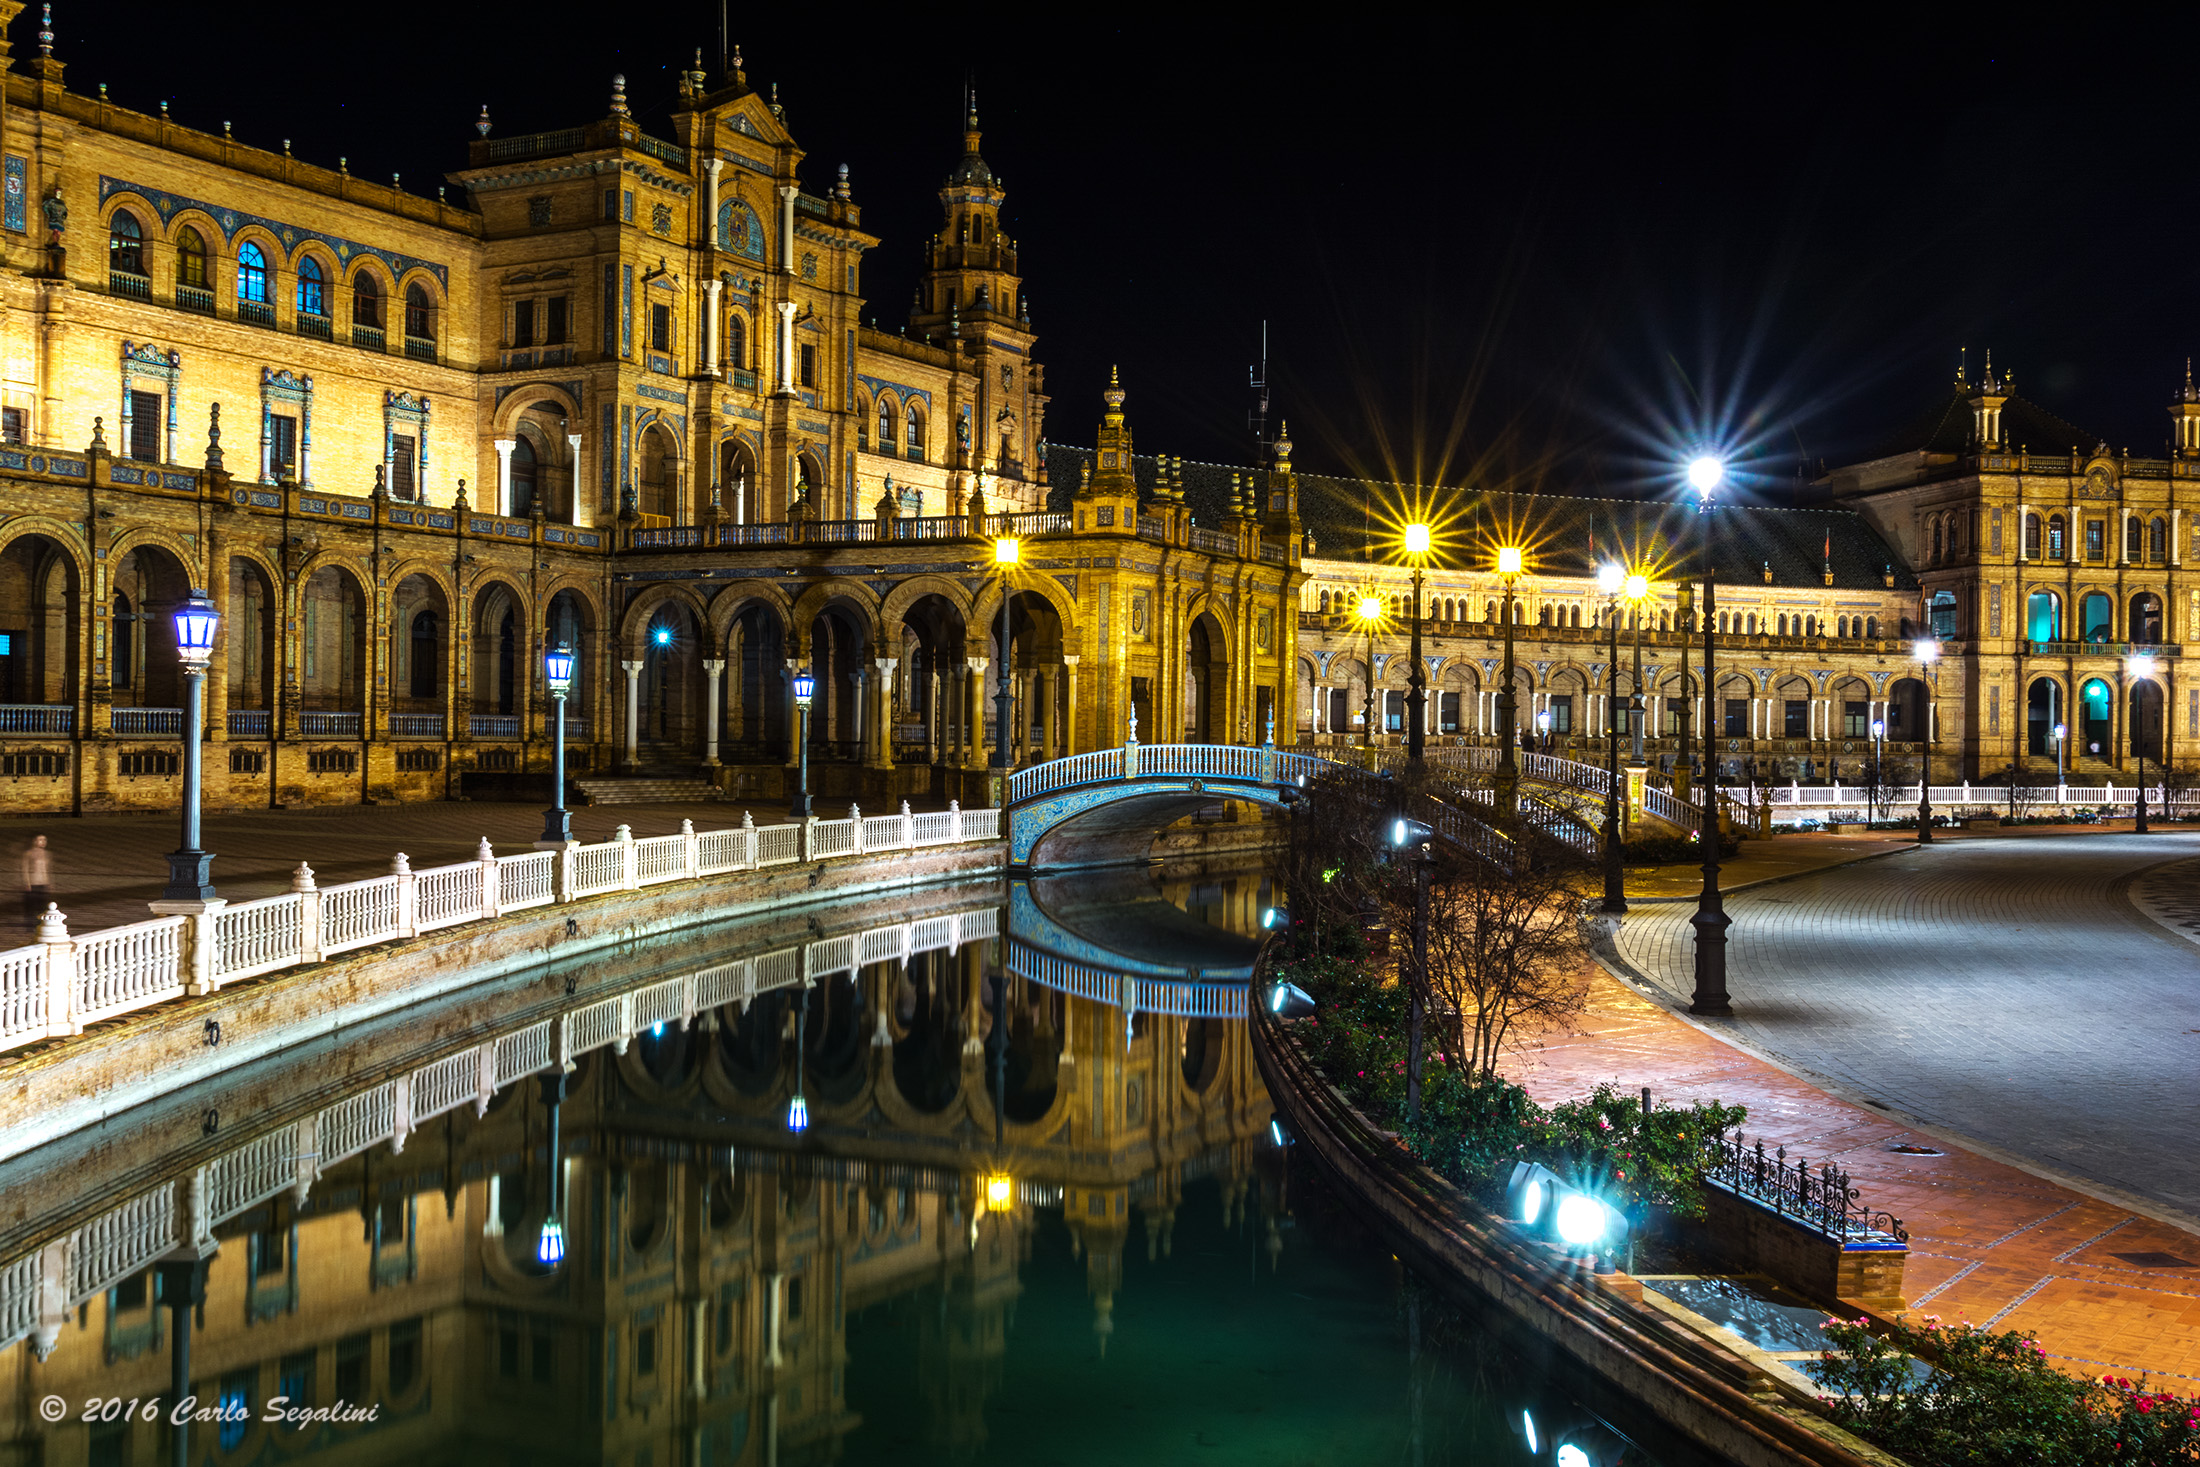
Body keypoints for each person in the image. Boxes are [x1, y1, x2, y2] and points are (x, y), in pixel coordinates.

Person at [20, 835, 49, 928]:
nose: (43, 842)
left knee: (42, 905)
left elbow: (45, 869)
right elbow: (25, 869)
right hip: (32, 883)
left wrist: (47, 882)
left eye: (44, 840)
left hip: (42, 883)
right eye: (40, 840)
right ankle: (29, 925)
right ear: (34, 841)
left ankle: (40, 924)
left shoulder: (45, 853)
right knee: (31, 906)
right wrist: (27, 883)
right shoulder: (28, 853)